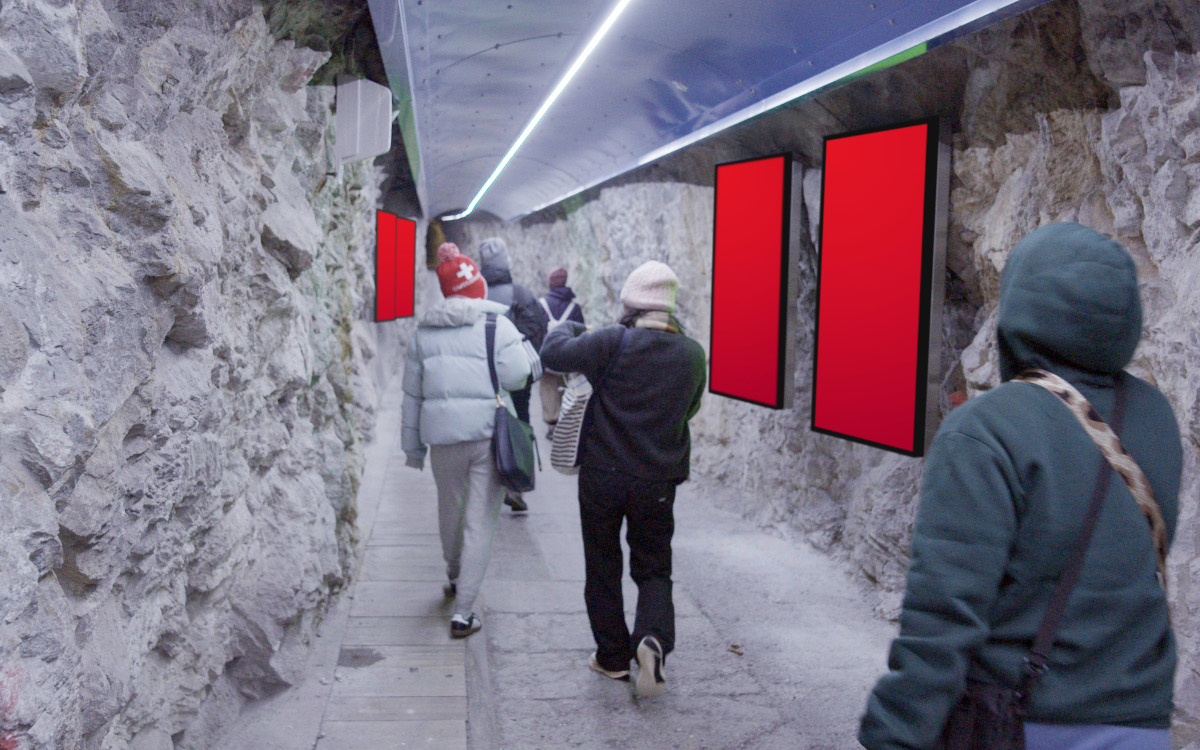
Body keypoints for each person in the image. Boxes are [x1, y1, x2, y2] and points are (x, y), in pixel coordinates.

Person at [859, 223, 1181, 749]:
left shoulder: (986, 429)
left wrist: (894, 732)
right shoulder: (1155, 417)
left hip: (1026, 722)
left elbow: (943, 616)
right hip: (1141, 724)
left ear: (1022, 311)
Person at [540, 260, 706, 698]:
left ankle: (612, 658)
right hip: (657, 480)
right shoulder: (692, 353)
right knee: (653, 567)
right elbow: (689, 409)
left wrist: (569, 327)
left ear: (630, 303)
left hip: (603, 475)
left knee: (603, 564)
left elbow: (552, 355)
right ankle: (652, 639)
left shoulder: (612, 342)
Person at [401, 242, 533, 639]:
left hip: (443, 440)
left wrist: (412, 449)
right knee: (480, 522)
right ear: (479, 288)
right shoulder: (498, 326)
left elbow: (412, 396)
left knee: (450, 511)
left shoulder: (423, 333)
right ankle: (463, 612)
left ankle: (455, 574)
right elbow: (518, 377)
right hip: (487, 437)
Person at [478, 236, 546, 513]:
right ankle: (518, 484)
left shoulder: (477, 297)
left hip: (483, 372)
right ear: (507, 262)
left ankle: (488, 483)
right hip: (518, 374)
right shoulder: (522, 294)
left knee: (486, 423)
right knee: (521, 422)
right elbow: (539, 330)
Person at [536, 267, 586, 439]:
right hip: (568, 356)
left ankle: (552, 424)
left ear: (550, 283)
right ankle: (568, 422)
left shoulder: (540, 305)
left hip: (547, 357)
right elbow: (581, 333)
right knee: (568, 387)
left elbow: (537, 331)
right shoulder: (575, 308)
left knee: (548, 388)